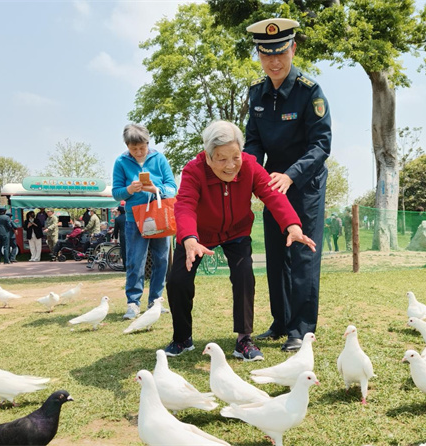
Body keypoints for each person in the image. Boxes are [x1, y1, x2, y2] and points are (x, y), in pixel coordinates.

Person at [164, 120, 315, 360]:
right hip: (198, 235)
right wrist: (189, 239)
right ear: (208, 156)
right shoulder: (193, 170)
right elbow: (184, 207)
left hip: (236, 232)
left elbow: (272, 194)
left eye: (235, 156)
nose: (230, 165)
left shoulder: (250, 167)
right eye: (221, 159)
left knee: (245, 275)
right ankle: (182, 338)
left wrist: (292, 225)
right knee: (177, 280)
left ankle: (244, 339)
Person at [245, 18, 332, 351]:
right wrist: (252, 172)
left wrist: (291, 174)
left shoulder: (310, 92)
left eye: (280, 52)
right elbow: (253, 141)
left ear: (292, 49)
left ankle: (301, 329)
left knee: (302, 254)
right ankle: (281, 322)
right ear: (259, 56)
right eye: (267, 55)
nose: (275, 61)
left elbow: (321, 145)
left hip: (304, 184)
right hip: (271, 187)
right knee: (276, 254)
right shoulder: (257, 93)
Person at [112, 123, 177, 320]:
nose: (139, 152)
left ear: (148, 143)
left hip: (159, 216)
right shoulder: (121, 162)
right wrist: (129, 190)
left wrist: (155, 188)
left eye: (142, 147)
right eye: (134, 149)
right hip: (134, 219)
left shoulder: (159, 158)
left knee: (162, 259)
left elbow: (172, 187)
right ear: (127, 146)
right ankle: (133, 303)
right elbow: (116, 193)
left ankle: (155, 301)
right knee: (135, 261)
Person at [112, 206, 126, 270]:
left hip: (123, 236)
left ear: (119, 211)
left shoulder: (117, 219)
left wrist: (115, 238)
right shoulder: (128, 217)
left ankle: (125, 266)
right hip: (131, 235)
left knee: (124, 251)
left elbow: (116, 230)